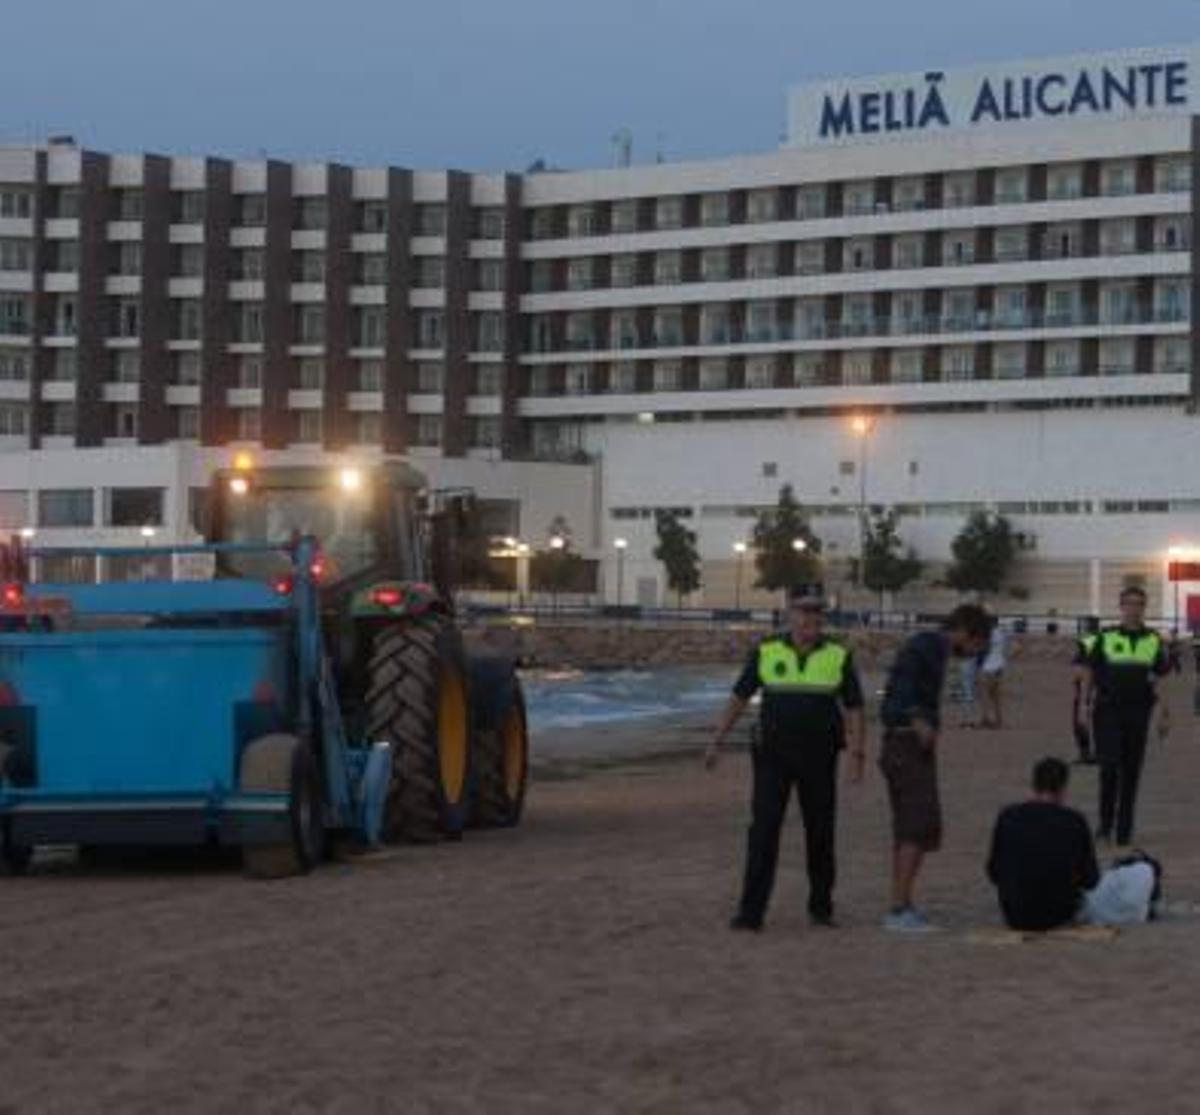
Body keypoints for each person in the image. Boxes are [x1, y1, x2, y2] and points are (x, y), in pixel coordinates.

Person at [706, 585, 866, 931]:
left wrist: (857, 754)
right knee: (763, 832)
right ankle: (751, 913)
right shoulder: (766, 650)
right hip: (772, 757)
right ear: (790, 614)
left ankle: (821, 909)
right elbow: (739, 695)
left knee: (820, 833)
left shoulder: (838, 654)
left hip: (820, 757)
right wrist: (717, 738)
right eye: (803, 611)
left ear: (823, 617)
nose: (810, 618)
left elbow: (854, 707)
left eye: (816, 612)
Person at [878, 603, 992, 931]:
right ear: (966, 632)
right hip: (905, 746)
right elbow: (900, 689)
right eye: (975, 646)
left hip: (906, 747)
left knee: (913, 826)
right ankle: (899, 909)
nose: (972, 654)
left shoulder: (934, 650)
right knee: (916, 825)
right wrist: (917, 720)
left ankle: (902, 902)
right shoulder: (926, 646)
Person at [1081, 586, 1170, 847]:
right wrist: (1083, 706)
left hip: (1139, 713)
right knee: (1109, 767)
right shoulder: (1104, 637)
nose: (1134, 609)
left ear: (1144, 608)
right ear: (1121, 607)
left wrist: (1165, 713)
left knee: (1132, 772)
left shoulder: (1153, 640)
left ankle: (1124, 830)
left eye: (1139, 604)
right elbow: (1088, 672)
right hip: (1107, 711)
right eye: (1129, 604)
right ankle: (1105, 824)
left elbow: (1159, 680)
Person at [986, 757, 1099, 931]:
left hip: (1015, 913)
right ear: (1063, 787)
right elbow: (1091, 879)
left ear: (1034, 785)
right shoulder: (1074, 820)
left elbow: (993, 871)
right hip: (1060, 912)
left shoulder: (1008, 816)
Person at [1071, 617, 1101, 765]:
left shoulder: (1087, 642)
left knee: (1080, 720)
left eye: (1083, 625)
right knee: (1093, 720)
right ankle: (1093, 752)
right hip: (1093, 685)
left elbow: (1086, 667)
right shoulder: (1099, 641)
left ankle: (1086, 753)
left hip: (1086, 685)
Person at [978, 618, 1008, 728]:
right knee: (996, 696)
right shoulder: (1001, 633)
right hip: (999, 666)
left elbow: (983, 648)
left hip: (988, 667)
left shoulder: (989, 634)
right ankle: (999, 719)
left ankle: (986, 719)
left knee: (985, 695)